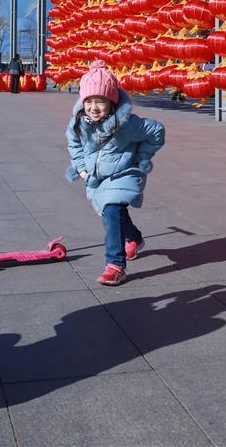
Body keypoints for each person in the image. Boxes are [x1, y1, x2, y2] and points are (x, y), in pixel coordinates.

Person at [65, 61, 165, 286]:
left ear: (112, 101)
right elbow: (73, 142)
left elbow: (157, 131)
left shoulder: (127, 124)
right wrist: (81, 166)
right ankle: (135, 238)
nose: (94, 107)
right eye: (89, 101)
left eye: (99, 101)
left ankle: (115, 264)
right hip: (96, 176)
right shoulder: (79, 123)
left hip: (124, 171)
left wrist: (141, 157)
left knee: (111, 209)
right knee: (113, 213)